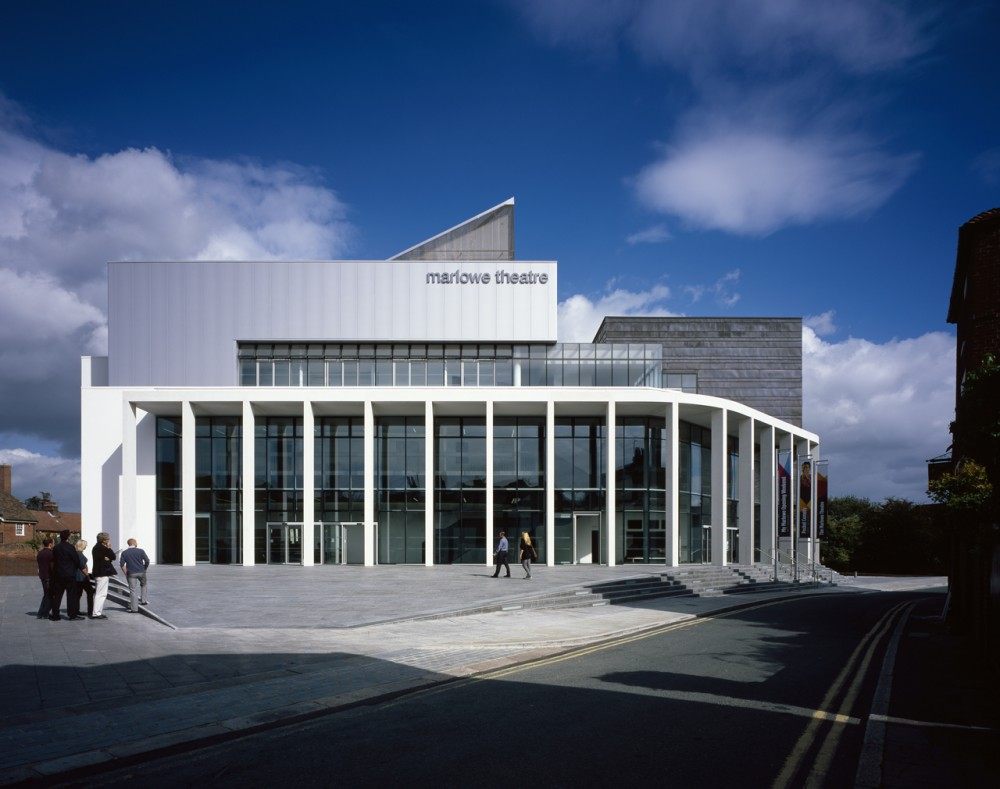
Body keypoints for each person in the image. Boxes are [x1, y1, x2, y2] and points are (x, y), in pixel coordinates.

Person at [49, 529, 82, 621]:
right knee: (71, 595)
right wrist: (74, 569)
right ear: (68, 537)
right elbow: (76, 560)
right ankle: (72, 615)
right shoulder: (70, 547)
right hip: (70, 575)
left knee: (58, 595)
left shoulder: (56, 548)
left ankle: (55, 615)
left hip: (58, 574)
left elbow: (53, 561)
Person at [119, 538, 150, 612]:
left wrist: (125, 572)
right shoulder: (141, 551)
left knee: (133, 590)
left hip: (131, 573)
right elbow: (147, 560)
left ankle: (134, 609)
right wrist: (145, 568)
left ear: (128, 544)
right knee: (144, 585)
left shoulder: (124, 553)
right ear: (135, 543)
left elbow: (122, 564)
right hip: (141, 572)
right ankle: (144, 601)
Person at [90, 532, 116, 620]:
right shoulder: (101, 548)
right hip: (102, 573)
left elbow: (110, 557)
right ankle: (96, 613)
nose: (109, 540)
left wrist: (108, 557)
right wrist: (109, 548)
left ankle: (98, 612)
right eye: (108, 539)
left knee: (101, 593)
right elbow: (113, 556)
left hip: (100, 572)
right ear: (104, 540)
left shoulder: (98, 547)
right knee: (101, 594)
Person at [73, 539, 94, 618]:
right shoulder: (79, 554)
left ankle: (76, 610)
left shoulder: (76, 553)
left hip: (76, 577)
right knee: (90, 592)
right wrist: (87, 575)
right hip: (81, 577)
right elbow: (82, 567)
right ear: (82, 545)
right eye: (85, 545)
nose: (86, 546)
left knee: (78, 594)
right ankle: (90, 611)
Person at [36, 537, 54, 619]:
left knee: (46, 595)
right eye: (53, 543)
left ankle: (41, 613)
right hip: (48, 576)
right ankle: (44, 613)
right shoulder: (51, 553)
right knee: (49, 595)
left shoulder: (40, 553)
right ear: (50, 544)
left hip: (42, 576)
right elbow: (52, 566)